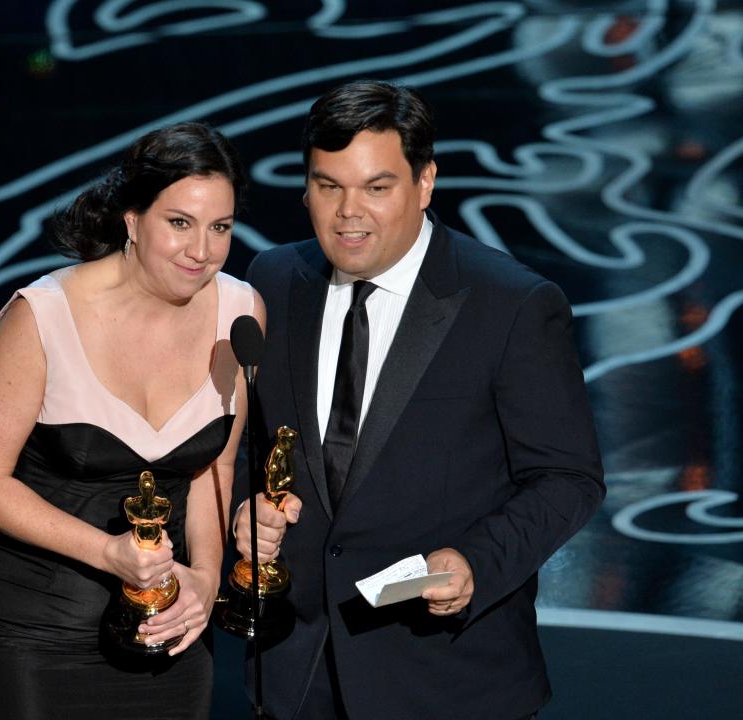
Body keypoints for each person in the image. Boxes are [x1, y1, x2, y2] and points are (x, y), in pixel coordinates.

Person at [233, 80, 605, 719]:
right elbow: (250, 439)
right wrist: (244, 509)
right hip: (296, 677)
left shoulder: (511, 304)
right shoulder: (273, 279)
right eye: (329, 187)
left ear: (425, 182)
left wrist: (474, 562)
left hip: (443, 680)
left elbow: (567, 478)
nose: (350, 213)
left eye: (377, 188)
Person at [0, 121, 264, 719]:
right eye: (179, 223)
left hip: (163, 626)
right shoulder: (40, 317)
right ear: (131, 219)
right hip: (30, 628)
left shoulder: (241, 310)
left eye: (219, 227)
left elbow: (214, 467)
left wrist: (203, 578)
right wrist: (108, 553)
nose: (202, 250)